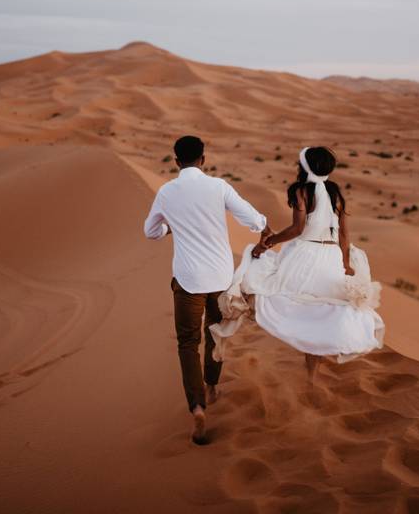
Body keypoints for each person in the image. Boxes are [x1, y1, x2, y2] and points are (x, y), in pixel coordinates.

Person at [211, 146, 384, 380]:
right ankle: (312, 373)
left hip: (304, 256)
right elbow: (344, 235)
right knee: (321, 309)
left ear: (304, 167)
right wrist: (345, 263)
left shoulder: (302, 191)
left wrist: (268, 242)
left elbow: (297, 228)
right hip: (331, 257)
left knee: (268, 290)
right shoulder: (335, 194)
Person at [143, 135, 270, 444]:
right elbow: (252, 219)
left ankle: (197, 406)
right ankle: (212, 386)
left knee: (188, 343)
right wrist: (264, 228)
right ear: (203, 159)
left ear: (176, 161)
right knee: (216, 332)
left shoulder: (166, 192)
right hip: (221, 277)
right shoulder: (218, 186)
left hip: (188, 281)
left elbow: (150, 232)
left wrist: (169, 226)